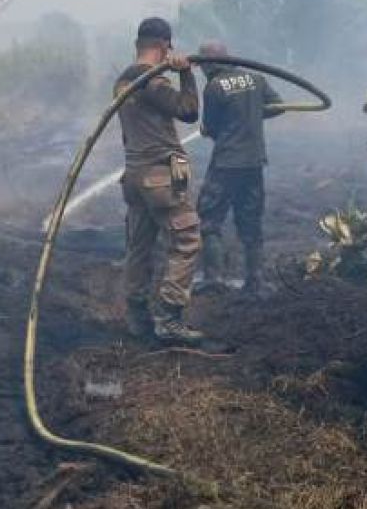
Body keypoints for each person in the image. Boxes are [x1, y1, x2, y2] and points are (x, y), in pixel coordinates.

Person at [114, 17, 205, 345]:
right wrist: (184, 73)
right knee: (187, 241)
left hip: (135, 176)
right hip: (161, 177)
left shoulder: (123, 81)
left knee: (139, 247)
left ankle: (137, 317)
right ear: (165, 45)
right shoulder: (152, 82)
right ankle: (170, 316)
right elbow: (189, 111)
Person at [195, 40, 284, 296]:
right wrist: (253, 114)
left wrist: (215, 128)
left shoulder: (214, 87)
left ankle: (214, 279)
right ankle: (255, 280)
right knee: (251, 219)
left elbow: (210, 128)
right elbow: (277, 106)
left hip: (226, 163)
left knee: (210, 219)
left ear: (208, 65)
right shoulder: (255, 78)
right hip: (254, 162)